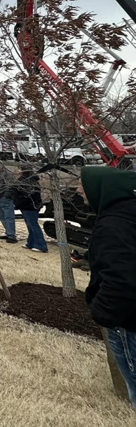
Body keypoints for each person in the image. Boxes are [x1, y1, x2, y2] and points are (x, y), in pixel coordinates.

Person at [80, 166, 136, 408]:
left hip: (129, 322)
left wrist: (102, 314)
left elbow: (122, 279)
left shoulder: (113, 224)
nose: (79, 191)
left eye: (83, 186)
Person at [13, 164, 47, 252]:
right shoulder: (25, 180)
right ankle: (31, 243)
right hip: (26, 206)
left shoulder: (29, 181)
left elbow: (26, 195)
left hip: (30, 206)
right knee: (30, 225)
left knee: (33, 225)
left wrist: (19, 203)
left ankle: (41, 245)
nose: (18, 171)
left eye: (20, 169)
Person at [0, 159, 18, 243]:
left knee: (9, 216)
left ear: (1, 165)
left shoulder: (7, 173)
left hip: (4, 198)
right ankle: (8, 232)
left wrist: (6, 196)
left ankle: (12, 235)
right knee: (2, 216)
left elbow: (10, 186)